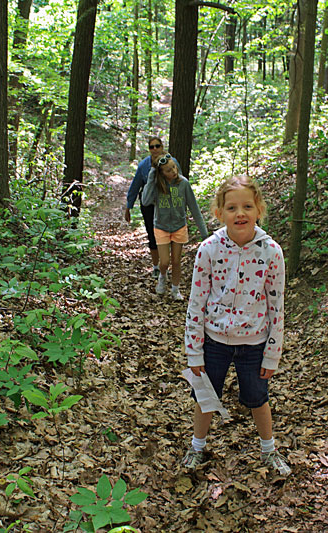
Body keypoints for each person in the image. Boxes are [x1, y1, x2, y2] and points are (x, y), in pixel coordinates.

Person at [180, 175, 290, 476]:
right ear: (219, 213)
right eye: (231, 208)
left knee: (258, 398)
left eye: (247, 206)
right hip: (214, 341)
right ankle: (197, 447)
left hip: (254, 342)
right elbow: (196, 303)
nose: (239, 214)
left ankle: (269, 450)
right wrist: (194, 352)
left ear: (259, 210)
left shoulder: (271, 252)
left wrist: (272, 353)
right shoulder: (208, 250)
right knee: (205, 397)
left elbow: (276, 305)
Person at [141, 153, 209, 300]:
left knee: (176, 261)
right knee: (164, 261)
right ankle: (162, 276)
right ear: (161, 173)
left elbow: (194, 209)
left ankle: (175, 290)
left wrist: (204, 234)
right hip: (161, 227)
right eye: (169, 170)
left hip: (179, 227)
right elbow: (145, 201)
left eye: (174, 167)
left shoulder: (183, 183)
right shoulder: (157, 185)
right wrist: (152, 175)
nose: (173, 171)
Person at [123, 136, 179, 279]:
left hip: (168, 205)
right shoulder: (144, 165)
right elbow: (135, 186)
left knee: (168, 235)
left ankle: (166, 266)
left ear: (162, 146)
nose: (155, 149)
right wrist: (128, 207)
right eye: (152, 147)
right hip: (149, 206)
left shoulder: (172, 162)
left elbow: (180, 182)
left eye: (157, 146)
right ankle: (156, 267)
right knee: (153, 235)